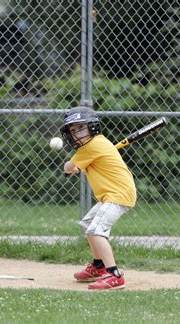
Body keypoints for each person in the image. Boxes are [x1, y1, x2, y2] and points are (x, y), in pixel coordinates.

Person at [60, 106, 136, 290]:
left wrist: (71, 167)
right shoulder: (95, 146)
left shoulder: (92, 146)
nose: (76, 134)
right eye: (72, 130)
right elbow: (87, 167)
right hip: (111, 195)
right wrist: (79, 168)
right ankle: (98, 266)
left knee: (96, 230)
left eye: (80, 128)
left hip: (118, 195)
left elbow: (68, 167)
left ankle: (114, 274)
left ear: (92, 127)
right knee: (88, 225)